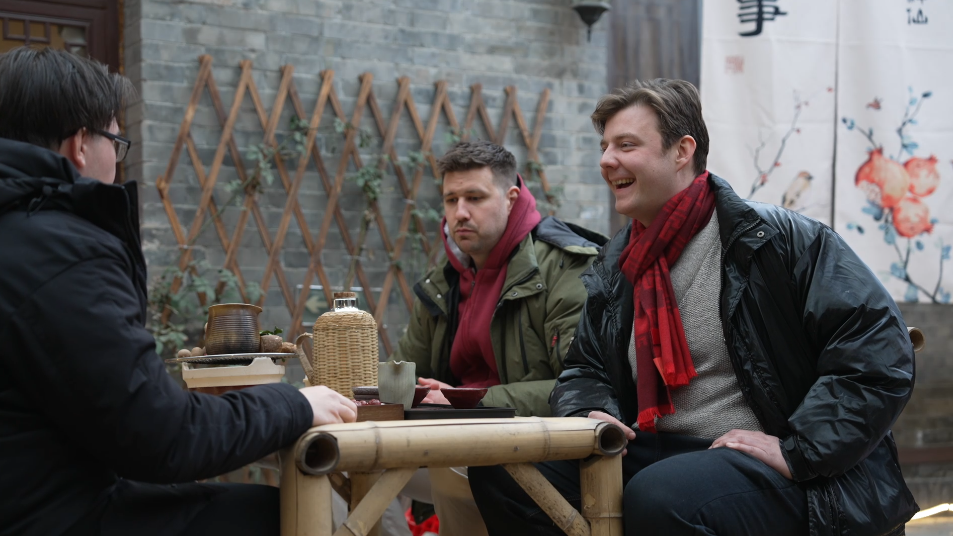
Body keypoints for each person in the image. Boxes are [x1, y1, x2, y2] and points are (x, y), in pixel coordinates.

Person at [469, 78, 919, 536]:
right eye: (604, 147)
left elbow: (878, 352)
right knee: (503, 470)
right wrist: (590, 411)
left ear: (682, 151)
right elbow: (585, 368)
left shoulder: (777, 240)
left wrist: (800, 448)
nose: (606, 160)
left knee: (660, 496)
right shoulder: (618, 264)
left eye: (626, 145)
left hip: (771, 462)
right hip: (652, 448)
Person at [0, 47, 357, 536]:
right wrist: (295, 404)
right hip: (49, 518)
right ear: (80, 144)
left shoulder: (21, 234)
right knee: (282, 518)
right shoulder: (59, 251)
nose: (117, 162)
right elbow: (159, 437)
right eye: (115, 142)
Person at [387, 140, 606, 536]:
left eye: (475, 197)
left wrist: (466, 401)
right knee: (329, 457)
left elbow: (583, 386)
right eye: (451, 200)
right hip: (451, 435)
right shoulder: (443, 281)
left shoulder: (565, 267)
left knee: (456, 461)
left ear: (511, 198)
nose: (460, 212)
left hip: (537, 445)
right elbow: (405, 371)